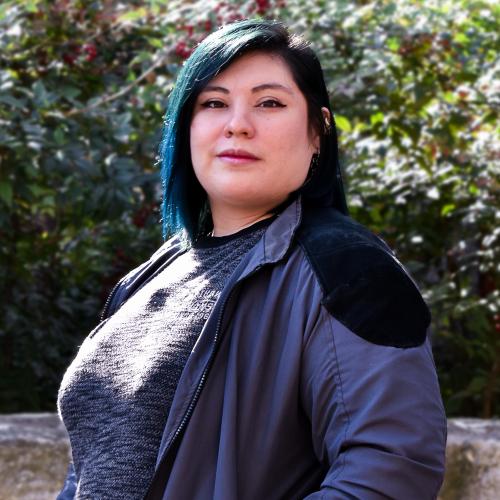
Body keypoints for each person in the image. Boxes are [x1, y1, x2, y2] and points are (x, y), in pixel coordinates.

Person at [57, 19, 446, 500]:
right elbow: (89, 469)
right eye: (214, 103)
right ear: (187, 126)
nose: (237, 123)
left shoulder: (349, 270)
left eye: (270, 103)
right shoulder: (152, 275)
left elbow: (390, 470)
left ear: (318, 132)